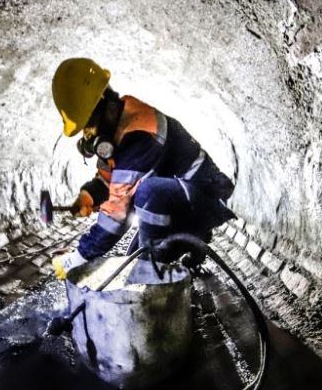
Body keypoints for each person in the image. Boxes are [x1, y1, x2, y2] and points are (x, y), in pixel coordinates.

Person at [50, 58, 236, 280]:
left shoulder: (140, 130)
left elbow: (117, 214)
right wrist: (89, 194)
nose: (88, 135)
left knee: (147, 199)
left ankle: (192, 236)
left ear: (104, 105)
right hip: (180, 201)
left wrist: (78, 257)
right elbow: (110, 178)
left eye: (88, 125)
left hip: (208, 198)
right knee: (134, 259)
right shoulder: (117, 126)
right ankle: (191, 238)